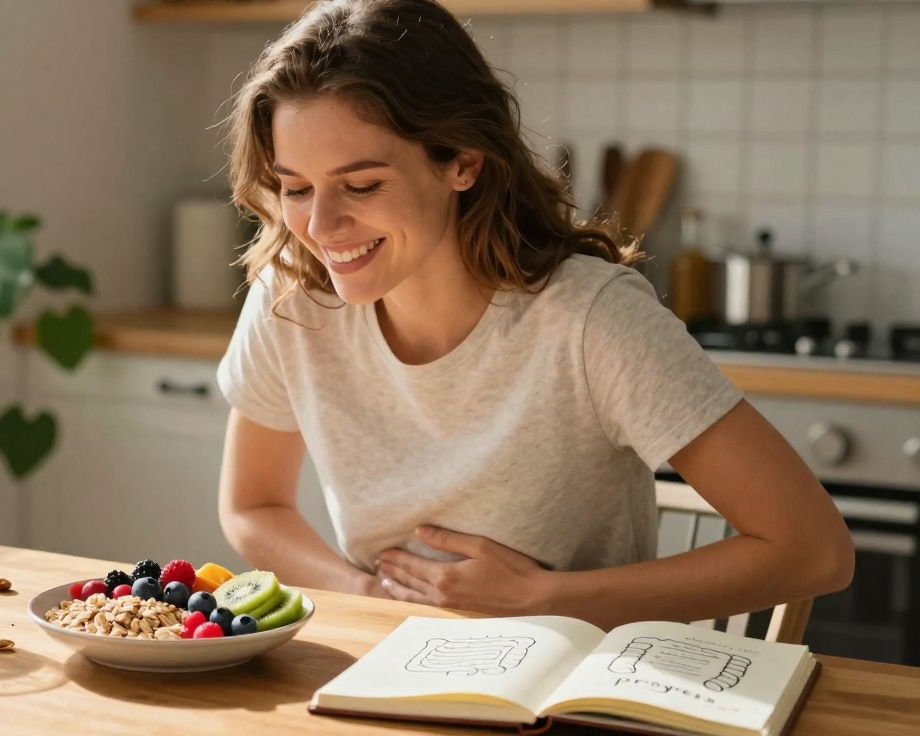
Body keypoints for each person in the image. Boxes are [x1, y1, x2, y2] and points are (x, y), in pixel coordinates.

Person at [214, 0, 853, 630]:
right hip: (387, 658)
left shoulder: (591, 319)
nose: (320, 227)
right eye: (296, 188)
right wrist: (366, 592)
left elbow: (813, 550)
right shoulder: (293, 298)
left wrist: (541, 596)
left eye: (362, 185)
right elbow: (252, 504)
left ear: (462, 162)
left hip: (573, 686)